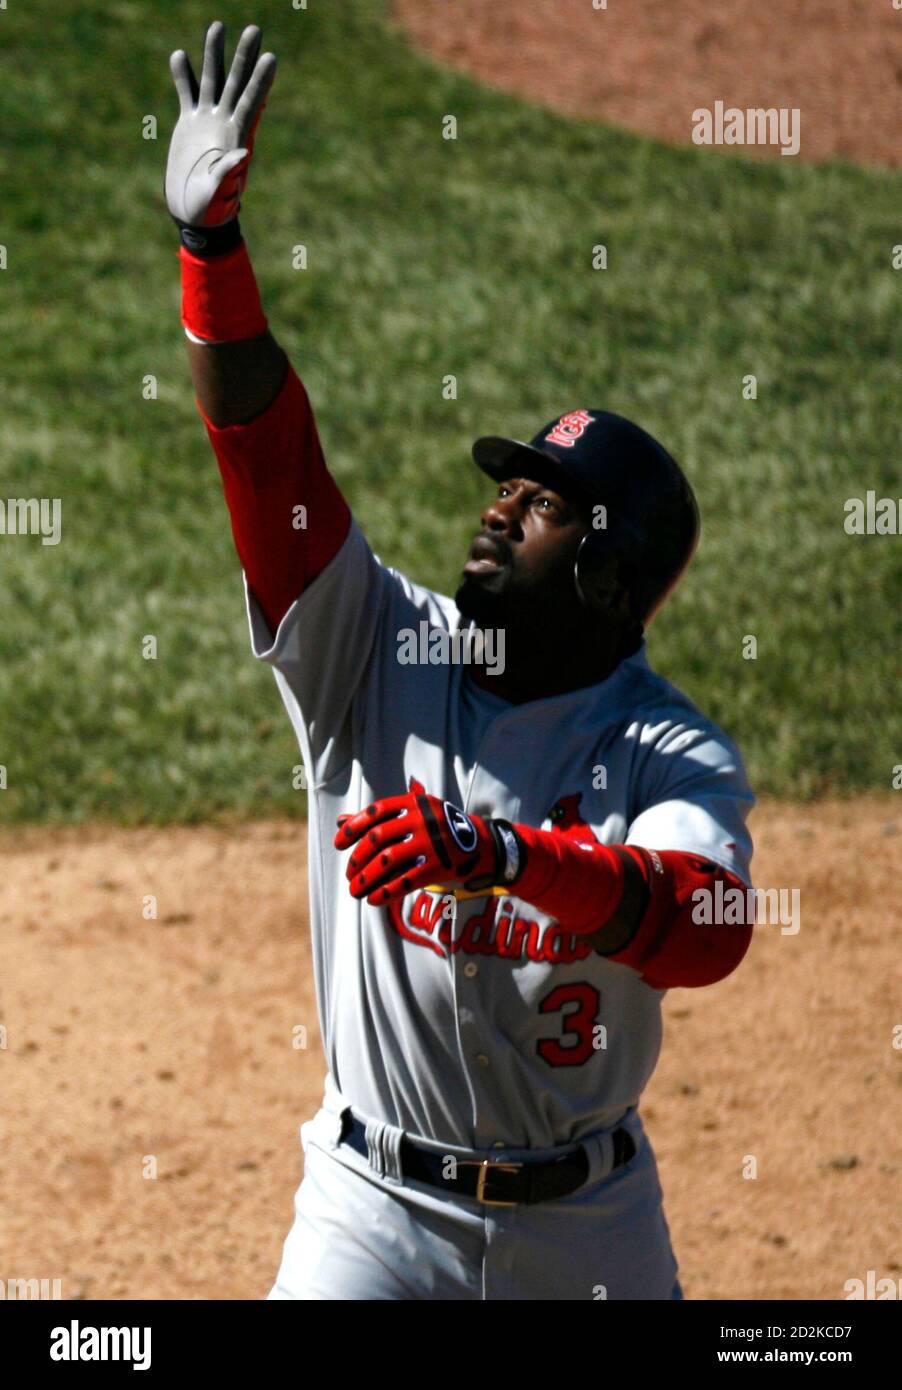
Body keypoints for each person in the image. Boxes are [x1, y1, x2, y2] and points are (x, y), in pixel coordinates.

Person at [165, 21, 756, 1301]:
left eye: (538, 504)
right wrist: (212, 255)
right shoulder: (369, 641)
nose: (496, 507)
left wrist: (498, 857)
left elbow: (704, 929)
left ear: (606, 575)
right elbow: (266, 457)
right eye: (505, 487)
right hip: (368, 1214)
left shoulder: (664, 749)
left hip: (587, 1227)